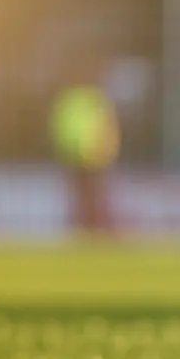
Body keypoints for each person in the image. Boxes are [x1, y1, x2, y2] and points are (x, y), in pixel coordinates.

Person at [49, 63, 120, 236]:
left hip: (88, 157)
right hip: (83, 158)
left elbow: (106, 128)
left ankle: (92, 229)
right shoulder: (93, 99)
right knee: (86, 197)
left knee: (89, 197)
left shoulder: (75, 99)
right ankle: (87, 229)